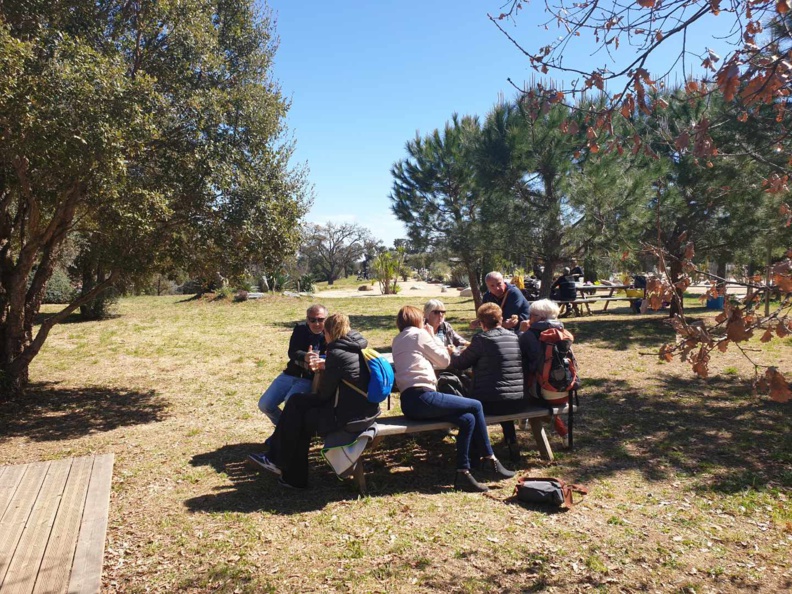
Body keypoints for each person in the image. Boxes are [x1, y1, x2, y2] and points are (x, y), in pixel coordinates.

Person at [248, 313, 379, 488]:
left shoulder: (337, 352)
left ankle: (284, 468)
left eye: (324, 331)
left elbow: (323, 395)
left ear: (330, 332)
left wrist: (326, 369)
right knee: (297, 407)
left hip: (351, 417)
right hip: (365, 410)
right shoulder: (356, 346)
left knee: (299, 414)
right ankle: (283, 469)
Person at [392, 305, 514, 493]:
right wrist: (431, 335)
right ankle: (490, 459)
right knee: (475, 405)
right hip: (424, 396)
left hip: (410, 402)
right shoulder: (418, 334)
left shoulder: (398, 339)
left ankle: (463, 472)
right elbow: (444, 361)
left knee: (467, 419)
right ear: (417, 320)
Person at [450, 303, 525, 461]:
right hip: (517, 401)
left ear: (481, 323)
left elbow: (460, 364)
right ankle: (512, 442)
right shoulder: (513, 336)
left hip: (491, 403)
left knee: (476, 400)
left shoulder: (481, 339)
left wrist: (452, 353)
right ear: (501, 319)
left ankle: (475, 451)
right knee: (502, 391)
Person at [257, 304, 328, 426]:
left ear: (326, 320)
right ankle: (284, 430)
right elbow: (292, 352)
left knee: (290, 402)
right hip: (291, 373)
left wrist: (319, 360)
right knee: (265, 405)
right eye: (313, 320)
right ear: (307, 319)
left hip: (309, 379)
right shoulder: (300, 329)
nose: (317, 324)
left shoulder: (329, 333)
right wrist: (305, 356)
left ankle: (290, 433)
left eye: (321, 320)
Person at [518, 299, 572, 447]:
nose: (528, 318)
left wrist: (522, 332)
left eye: (531, 315)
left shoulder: (530, 335)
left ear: (540, 318)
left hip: (542, 392)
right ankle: (564, 434)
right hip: (566, 389)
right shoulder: (562, 331)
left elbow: (519, 356)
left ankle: (523, 419)